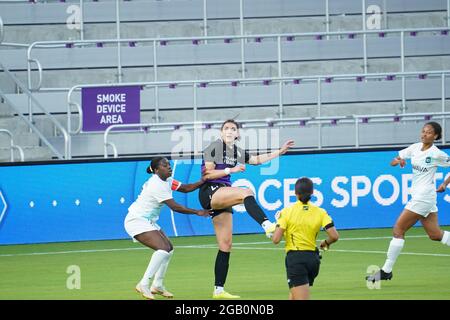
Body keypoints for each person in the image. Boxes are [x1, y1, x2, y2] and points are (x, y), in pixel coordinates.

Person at [199, 119, 295, 299]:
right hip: (210, 191)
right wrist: (231, 171)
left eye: (232, 129)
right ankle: (267, 225)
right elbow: (207, 174)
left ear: (236, 134)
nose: (229, 131)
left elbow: (257, 160)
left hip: (223, 195)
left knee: (226, 245)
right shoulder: (214, 147)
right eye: (226, 128)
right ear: (221, 133)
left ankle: (218, 290)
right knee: (246, 192)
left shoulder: (236, 151)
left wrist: (279, 152)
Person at [366, 122, 450, 283]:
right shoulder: (415, 147)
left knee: (398, 229)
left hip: (423, 197)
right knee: (435, 234)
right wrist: (398, 161)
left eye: (429, 132)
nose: (424, 134)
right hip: (422, 197)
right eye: (423, 131)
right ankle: (386, 271)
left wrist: (445, 183)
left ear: (436, 137)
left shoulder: (436, 154)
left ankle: (386, 271)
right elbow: (393, 161)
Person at [124, 157, 210, 300]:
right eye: (165, 165)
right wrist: (197, 212)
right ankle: (143, 283)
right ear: (157, 170)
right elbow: (175, 207)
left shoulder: (167, 180)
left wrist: (203, 180)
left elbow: (186, 188)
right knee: (163, 248)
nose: (169, 167)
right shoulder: (156, 185)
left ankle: (157, 285)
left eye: (169, 165)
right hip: (136, 220)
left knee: (169, 249)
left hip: (147, 220)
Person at [272, 177, 339, 300]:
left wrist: (275, 227)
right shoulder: (321, 212)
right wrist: (325, 242)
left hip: (296, 260)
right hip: (313, 260)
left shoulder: (287, 212)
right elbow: (334, 236)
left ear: (295, 193)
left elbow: (276, 239)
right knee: (294, 295)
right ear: (312, 193)